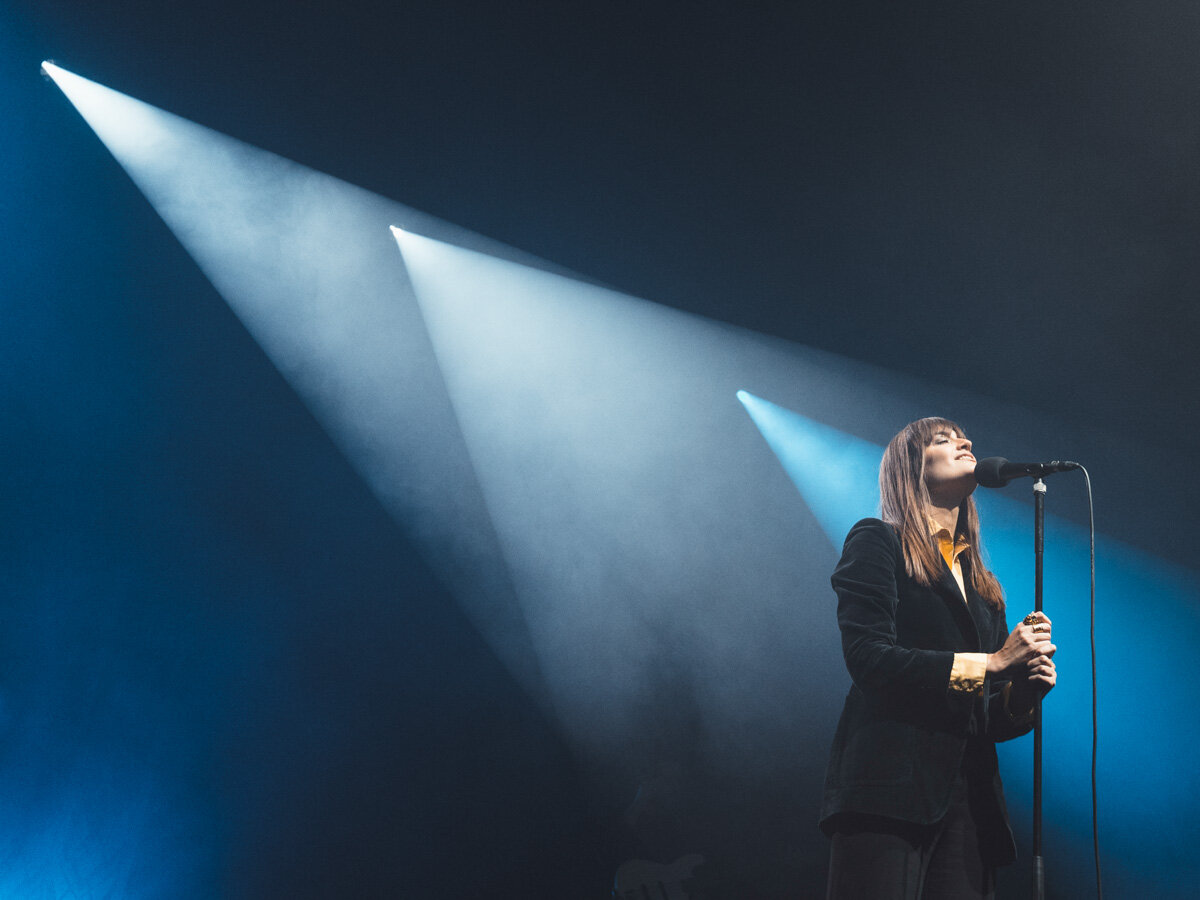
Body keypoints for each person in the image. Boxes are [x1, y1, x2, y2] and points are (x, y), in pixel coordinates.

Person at [820, 417, 1057, 899]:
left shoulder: (984, 587)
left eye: (964, 436)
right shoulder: (877, 541)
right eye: (942, 440)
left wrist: (1024, 689)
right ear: (911, 467)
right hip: (889, 791)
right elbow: (868, 659)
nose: (966, 442)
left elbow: (985, 720)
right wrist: (991, 664)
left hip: (970, 807)